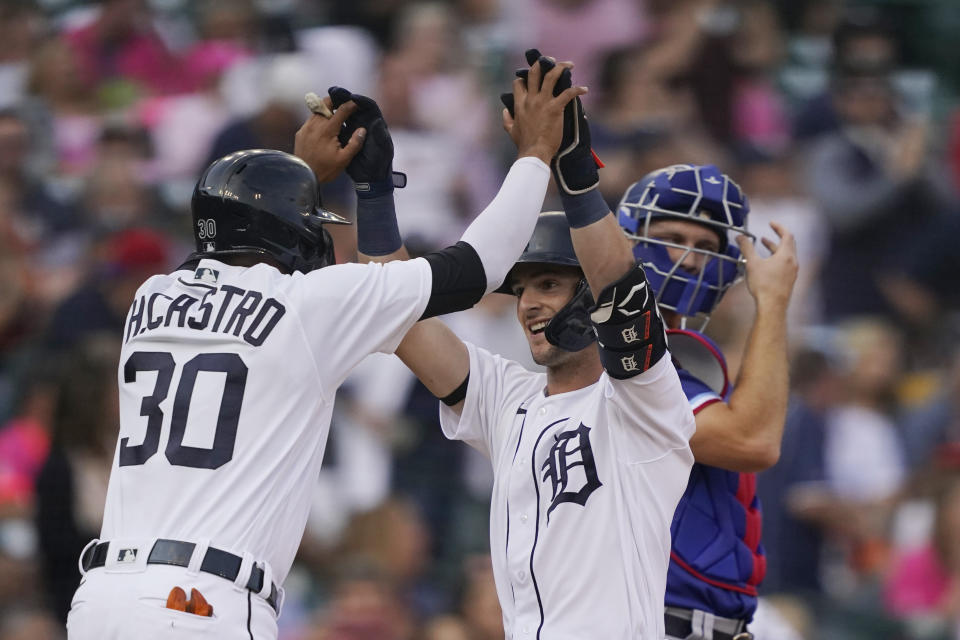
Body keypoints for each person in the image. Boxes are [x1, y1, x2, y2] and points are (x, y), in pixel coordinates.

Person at [65, 57, 585, 640]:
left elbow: (233, 235)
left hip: (100, 597)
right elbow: (479, 268)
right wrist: (536, 155)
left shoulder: (150, 296)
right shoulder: (307, 304)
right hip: (199, 604)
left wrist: (292, 177)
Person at [356, 51, 697, 639]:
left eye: (548, 284)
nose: (529, 303)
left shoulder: (645, 403)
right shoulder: (507, 399)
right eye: (521, 289)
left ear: (588, 297)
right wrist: (374, 195)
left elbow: (622, 291)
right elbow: (395, 314)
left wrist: (576, 176)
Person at [617, 163, 798, 639]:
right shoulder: (612, 358)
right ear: (629, 241)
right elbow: (754, 441)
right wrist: (774, 303)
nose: (691, 261)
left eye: (706, 247)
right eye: (674, 237)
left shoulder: (673, 360)